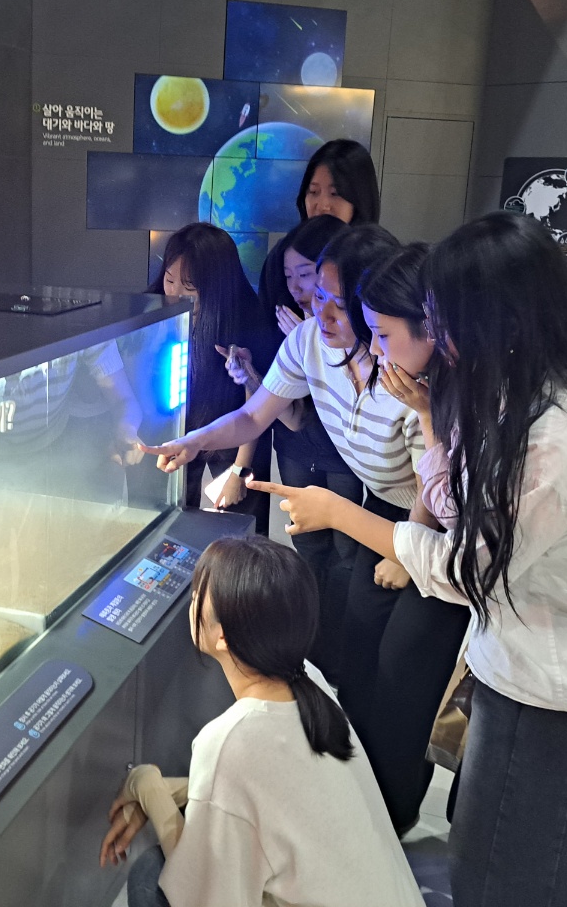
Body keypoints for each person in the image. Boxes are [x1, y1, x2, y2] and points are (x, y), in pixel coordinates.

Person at [257, 213, 567, 907]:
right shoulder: (533, 390)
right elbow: (472, 510)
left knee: (519, 874)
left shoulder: (559, 437)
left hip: (564, 690)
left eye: (442, 320)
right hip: (556, 663)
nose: (437, 338)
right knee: (521, 853)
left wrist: (340, 514)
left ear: (497, 320)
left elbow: (467, 569)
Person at [144, 227, 453, 833]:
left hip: (431, 519)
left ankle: (391, 813)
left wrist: (404, 549)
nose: (320, 311)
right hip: (379, 505)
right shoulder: (312, 342)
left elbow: (435, 478)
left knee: (401, 670)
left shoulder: (410, 368)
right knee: (356, 652)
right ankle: (355, 798)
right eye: (317, 295)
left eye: (338, 301)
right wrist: (195, 442)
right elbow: (254, 414)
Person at [99, 536, 425, 907]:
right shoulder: (311, 682)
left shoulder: (231, 741)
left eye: (197, 596)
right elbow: (264, 800)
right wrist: (169, 791)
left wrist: (146, 785)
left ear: (223, 636)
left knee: (149, 877)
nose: (192, 602)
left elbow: (202, 893)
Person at [233, 215, 358, 681]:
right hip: (296, 448)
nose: (298, 287)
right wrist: (251, 375)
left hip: (343, 457)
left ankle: (340, 655)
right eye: (289, 276)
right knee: (308, 551)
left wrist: (314, 337)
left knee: (346, 553)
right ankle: (313, 654)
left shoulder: (340, 328)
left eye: (306, 275)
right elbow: (286, 414)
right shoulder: (289, 324)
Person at [149, 223, 277, 534]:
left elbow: (254, 407)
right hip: (180, 428)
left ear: (216, 286)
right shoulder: (155, 309)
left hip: (234, 434)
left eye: (189, 287)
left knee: (239, 526)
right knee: (172, 519)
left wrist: (239, 470)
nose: (175, 293)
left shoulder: (248, 320)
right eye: (169, 280)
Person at [258, 138, 382, 304]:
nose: (322, 206)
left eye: (335, 194)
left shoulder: (376, 263)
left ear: (360, 199)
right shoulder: (284, 253)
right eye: (314, 192)